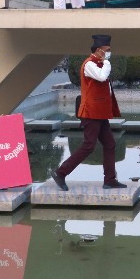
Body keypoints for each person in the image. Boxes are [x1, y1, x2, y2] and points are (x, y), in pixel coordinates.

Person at [52, 35, 124, 190]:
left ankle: (110, 179)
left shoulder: (99, 63)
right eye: (107, 50)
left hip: (100, 112)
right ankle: (60, 172)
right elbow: (102, 76)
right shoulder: (90, 64)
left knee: (110, 143)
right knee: (89, 145)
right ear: (99, 50)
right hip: (92, 111)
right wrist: (107, 63)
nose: (109, 53)